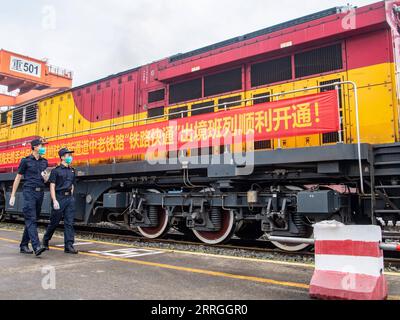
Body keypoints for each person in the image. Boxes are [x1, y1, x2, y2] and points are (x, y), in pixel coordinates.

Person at [9, 138, 49, 257]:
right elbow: (18, 177)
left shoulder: (44, 162)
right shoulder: (25, 161)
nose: (43, 148)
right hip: (29, 192)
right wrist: (12, 195)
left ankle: (23, 245)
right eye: (42, 146)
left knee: (32, 219)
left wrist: (46, 178)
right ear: (35, 147)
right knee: (31, 218)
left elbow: (46, 179)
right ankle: (36, 246)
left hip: (40, 193)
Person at [43, 148, 78, 254]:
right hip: (59, 198)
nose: (70, 157)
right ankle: (45, 239)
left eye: (70, 155)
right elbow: (52, 186)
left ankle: (69, 245)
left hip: (69, 199)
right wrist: (54, 200)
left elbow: (72, 184)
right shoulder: (56, 171)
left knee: (69, 222)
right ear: (62, 157)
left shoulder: (72, 170)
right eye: (68, 155)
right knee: (54, 222)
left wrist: (71, 197)